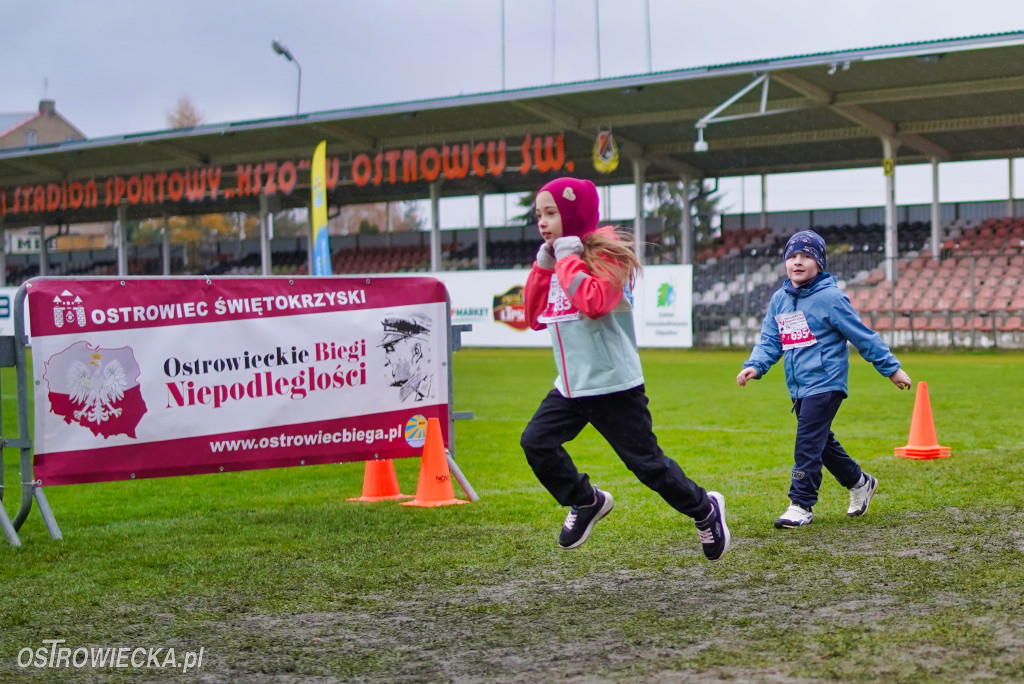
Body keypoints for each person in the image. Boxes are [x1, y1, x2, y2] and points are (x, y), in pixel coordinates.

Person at [519, 176, 731, 561]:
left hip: (613, 386)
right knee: (535, 442)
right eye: (539, 214)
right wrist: (542, 267)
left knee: (649, 468)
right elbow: (533, 317)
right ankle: (586, 501)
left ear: (572, 213)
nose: (542, 222)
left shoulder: (606, 255)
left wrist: (566, 260)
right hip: (570, 387)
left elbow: (594, 303)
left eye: (551, 213)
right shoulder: (557, 262)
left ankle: (705, 509)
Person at [736, 230, 912, 529]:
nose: (798, 262)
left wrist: (891, 369)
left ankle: (801, 504)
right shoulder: (780, 299)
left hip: (827, 382)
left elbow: (862, 335)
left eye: (806, 256)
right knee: (820, 442)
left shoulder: (831, 298)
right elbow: (770, 340)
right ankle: (859, 482)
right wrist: (755, 365)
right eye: (792, 256)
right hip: (799, 385)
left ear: (819, 263)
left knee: (807, 443)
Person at [379, 312, 434, 402]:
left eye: (390, 350)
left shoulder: (433, 391)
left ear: (416, 351)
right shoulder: (408, 393)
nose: (386, 361)